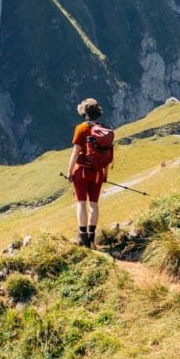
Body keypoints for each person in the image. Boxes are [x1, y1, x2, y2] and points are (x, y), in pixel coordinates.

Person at [65, 97, 111, 248]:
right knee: (94, 205)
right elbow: (107, 154)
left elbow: (76, 151)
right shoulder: (104, 130)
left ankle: (82, 237)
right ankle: (91, 237)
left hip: (82, 171)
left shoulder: (81, 128)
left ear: (85, 113)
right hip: (98, 173)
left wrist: (70, 170)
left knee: (81, 203)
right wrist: (105, 173)